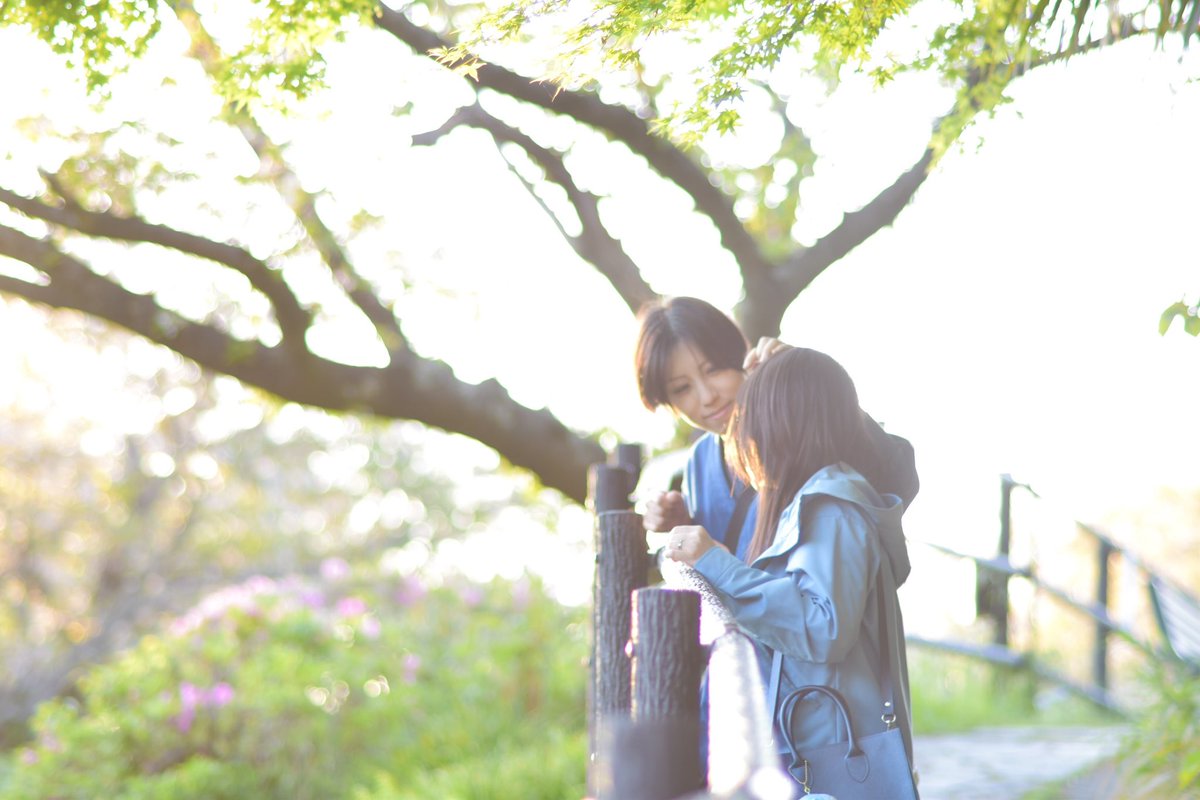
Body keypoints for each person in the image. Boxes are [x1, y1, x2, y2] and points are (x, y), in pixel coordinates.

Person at [663, 347, 917, 794]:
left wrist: (714, 562)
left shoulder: (832, 506)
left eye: (751, 418)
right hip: (822, 738)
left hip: (833, 745)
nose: (744, 434)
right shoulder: (815, 500)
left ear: (785, 422)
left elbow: (822, 627)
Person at [633, 296, 919, 555]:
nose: (708, 396)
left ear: (739, 354)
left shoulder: (798, 425)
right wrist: (682, 524)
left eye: (713, 370)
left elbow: (896, 477)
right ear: (668, 402)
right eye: (682, 388)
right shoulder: (699, 463)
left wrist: (810, 387)